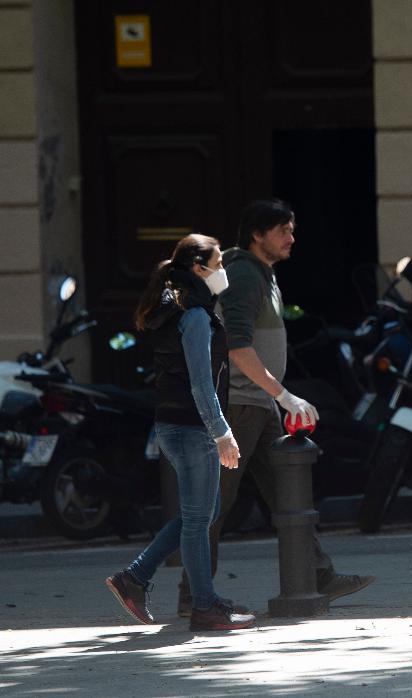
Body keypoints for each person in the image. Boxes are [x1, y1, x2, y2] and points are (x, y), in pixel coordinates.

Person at [179, 198, 374, 613]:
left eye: (292, 228)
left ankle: (319, 574)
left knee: (289, 495)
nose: (292, 237)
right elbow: (236, 345)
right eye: (283, 229)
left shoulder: (261, 275)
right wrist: (283, 395)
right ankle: (193, 595)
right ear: (257, 235)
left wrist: (275, 398)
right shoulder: (245, 276)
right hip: (239, 406)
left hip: (256, 406)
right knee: (215, 504)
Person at [104, 234, 256, 631]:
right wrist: (222, 432)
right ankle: (204, 606)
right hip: (192, 429)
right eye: (217, 262)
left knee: (201, 514)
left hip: (178, 427)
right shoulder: (194, 316)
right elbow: (200, 384)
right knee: (197, 519)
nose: (222, 270)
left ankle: (135, 578)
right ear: (197, 269)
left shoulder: (185, 310)